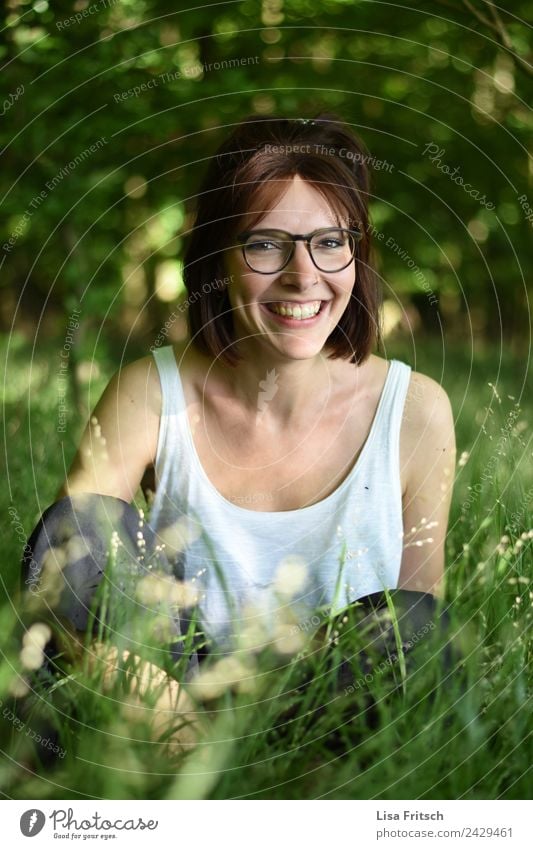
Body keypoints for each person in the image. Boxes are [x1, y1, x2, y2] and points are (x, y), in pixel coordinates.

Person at [23, 113, 456, 707]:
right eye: (265, 244)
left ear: (358, 255)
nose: (303, 277)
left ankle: (300, 785)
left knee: (412, 626)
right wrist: (169, 713)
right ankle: (176, 755)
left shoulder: (415, 410)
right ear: (217, 257)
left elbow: (420, 628)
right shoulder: (148, 393)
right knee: (79, 524)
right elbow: (68, 571)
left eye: (330, 242)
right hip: (167, 689)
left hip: (326, 704)